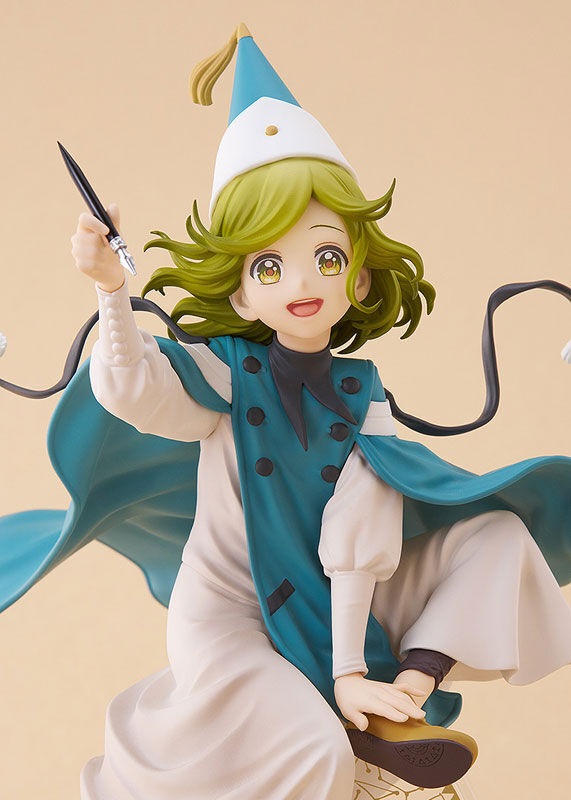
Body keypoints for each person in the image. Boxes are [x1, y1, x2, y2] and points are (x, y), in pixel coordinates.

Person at [1, 24, 570, 799]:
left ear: (358, 279)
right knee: (313, 755)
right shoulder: (223, 375)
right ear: (240, 293)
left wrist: (350, 670)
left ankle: (399, 701)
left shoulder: (363, 395)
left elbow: (360, 534)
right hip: (230, 614)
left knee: (494, 537)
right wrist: (111, 291)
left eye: (325, 256)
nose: (300, 281)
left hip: (334, 594)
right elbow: (131, 390)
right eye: (269, 265)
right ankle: (341, 725)